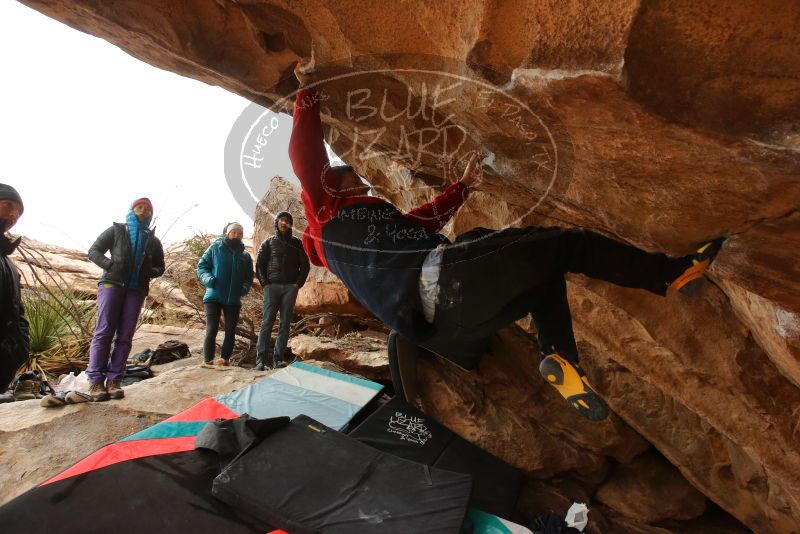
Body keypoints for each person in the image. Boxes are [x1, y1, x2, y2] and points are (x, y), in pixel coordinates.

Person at [290, 61, 724, 421]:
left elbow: (420, 222)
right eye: (357, 179)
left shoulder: (360, 238)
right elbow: (305, 155)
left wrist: (460, 188)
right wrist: (307, 90)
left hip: (450, 322)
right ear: (334, 184)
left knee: (544, 273)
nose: (366, 184)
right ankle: (672, 274)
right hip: (442, 284)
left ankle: (560, 356)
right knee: (566, 243)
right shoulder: (325, 211)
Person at [87, 197, 165, 401]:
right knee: (103, 332)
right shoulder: (117, 230)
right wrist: (110, 265)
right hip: (112, 284)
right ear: (132, 209)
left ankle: (114, 381)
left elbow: (160, 267)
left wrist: (149, 271)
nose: (143, 211)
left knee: (125, 336)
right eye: (140, 207)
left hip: (136, 289)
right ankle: (95, 381)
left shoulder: (153, 240)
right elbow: (94, 251)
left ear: (150, 214)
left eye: (147, 209)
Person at [254, 211, 310, 371]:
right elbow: (259, 265)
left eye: (287, 221)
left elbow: (305, 265)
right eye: (281, 220)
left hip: (290, 289)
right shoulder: (268, 243)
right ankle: (260, 362)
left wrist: (297, 285)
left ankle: (278, 360)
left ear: (290, 224)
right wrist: (265, 284)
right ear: (277, 222)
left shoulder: (297, 243)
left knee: (285, 324)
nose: (284, 223)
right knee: (267, 323)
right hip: (272, 287)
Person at [197, 222, 253, 366]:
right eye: (233, 232)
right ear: (227, 233)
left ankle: (225, 360)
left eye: (239, 233)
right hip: (213, 296)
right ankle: (208, 360)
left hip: (233, 299)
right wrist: (209, 280)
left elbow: (248, 277)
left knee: (230, 331)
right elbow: (202, 266)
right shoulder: (215, 248)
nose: (236, 235)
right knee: (212, 328)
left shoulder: (245, 256)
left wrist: (244, 288)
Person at [0, 184, 29, 395]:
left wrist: (21, 348)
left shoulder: (8, 263)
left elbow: (18, 310)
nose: (13, 214)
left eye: (18, 212)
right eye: (8, 205)